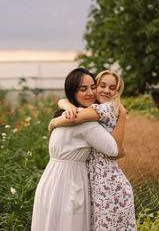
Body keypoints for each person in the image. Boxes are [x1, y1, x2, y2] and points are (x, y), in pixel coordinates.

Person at [31, 68, 125, 231]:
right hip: (71, 184)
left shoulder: (62, 115)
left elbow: (63, 104)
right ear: (72, 92)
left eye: (92, 87)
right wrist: (122, 115)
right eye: (83, 89)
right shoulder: (85, 123)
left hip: (50, 181)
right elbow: (113, 150)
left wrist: (55, 121)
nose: (90, 92)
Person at [51, 70, 137, 230]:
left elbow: (76, 117)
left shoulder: (107, 108)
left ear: (117, 93)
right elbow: (64, 100)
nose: (106, 90)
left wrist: (55, 122)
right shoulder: (100, 108)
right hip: (99, 183)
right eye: (102, 85)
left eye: (112, 88)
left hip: (108, 186)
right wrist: (66, 104)